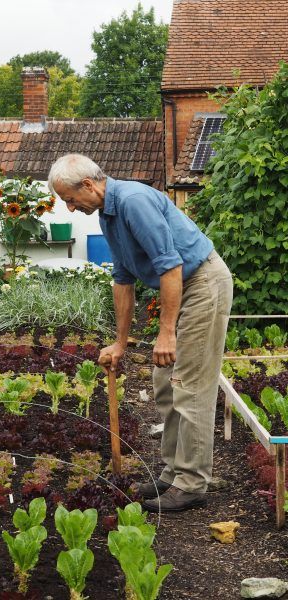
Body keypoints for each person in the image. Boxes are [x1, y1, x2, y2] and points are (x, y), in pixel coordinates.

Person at [48, 154, 233, 513]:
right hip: (181, 284)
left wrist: (167, 333)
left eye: (69, 199)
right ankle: (173, 471)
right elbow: (122, 278)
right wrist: (120, 342)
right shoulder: (108, 213)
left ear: (88, 185)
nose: (70, 208)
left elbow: (170, 264)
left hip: (200, 283)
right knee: (165, 379)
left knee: (189, 383)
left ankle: (192, 483)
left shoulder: (133, 201)